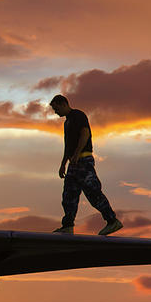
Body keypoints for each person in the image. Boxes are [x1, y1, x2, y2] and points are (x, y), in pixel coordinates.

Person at [49, 95, 122, 235]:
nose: (55, 112)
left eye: (56, 108)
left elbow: (85, 134)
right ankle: (68, 226)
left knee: (93, 193)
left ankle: (112, 221)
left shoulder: (78, 115)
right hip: (73, 164)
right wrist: (63, 163)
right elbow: (68, 145)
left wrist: (77, 154)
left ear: (63, 104)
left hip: (83, 162)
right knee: (68, 195)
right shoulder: (67, 122)